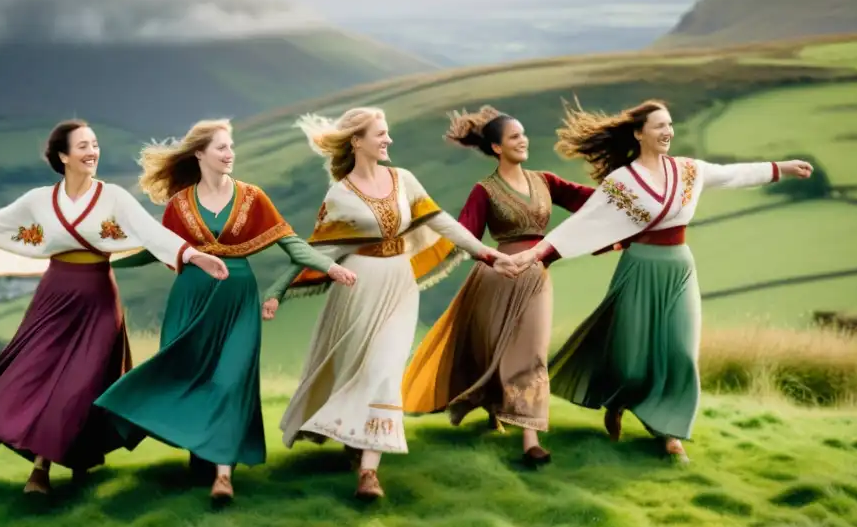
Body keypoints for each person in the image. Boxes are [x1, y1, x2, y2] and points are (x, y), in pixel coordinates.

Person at [0, 119, 229, 494]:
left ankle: (54, 465)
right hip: (55, 296)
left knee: (81, 385)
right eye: (82, 146)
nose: (92, 152)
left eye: (94, 144)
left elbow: (151, 232)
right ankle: (44, 466)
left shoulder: (113, 197)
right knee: (35, 373)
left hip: (98, 299)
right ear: (63, 156)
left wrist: (194, 256)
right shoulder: (38, 201)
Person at [511, 100, 813, 462]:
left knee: (681, 352)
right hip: (639, 268)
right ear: (639, 134)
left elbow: (732, 174)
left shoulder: (688, 170)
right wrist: (535, 255)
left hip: (679, 268)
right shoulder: (622, 181)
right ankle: (619, 400)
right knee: (631, 361)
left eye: (670, 124)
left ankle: (670, 434)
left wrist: (781, 167)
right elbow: (585, 223)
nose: (667, 131)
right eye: (659, 126)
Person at [94, 119, 356, 504]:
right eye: (221, 147)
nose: (230, 153)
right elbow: (156, 250)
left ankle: (223, 475)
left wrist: (329, 266)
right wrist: (104, 262)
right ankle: (201, 457)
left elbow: (292, 244)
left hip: (237, 303)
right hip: (191, 300)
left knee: (229, 381)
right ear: (199, 154)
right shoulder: (179, 205)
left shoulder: (253, 197)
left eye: (231, 146)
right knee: (190, 379)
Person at [262, 106, 516, 500]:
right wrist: (276, 291)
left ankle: (369, 474)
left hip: (399, 285)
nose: (388, 139)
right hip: (358, 287)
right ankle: (354, 438)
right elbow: (316, 250)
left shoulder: (404, 180)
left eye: (387, 132)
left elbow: (442, 222)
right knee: (357, 371)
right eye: (380, 133)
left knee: (384, 369)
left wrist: (486, 253)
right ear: (357, 141)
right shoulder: (340, 196)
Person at [402, 106, 593, 466]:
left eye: (523, 134)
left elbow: (592, 201)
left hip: (535, 277)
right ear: (496, 148)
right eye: (514, 137)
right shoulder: (484, 190)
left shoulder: (546, 182)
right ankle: (494, 410)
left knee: (532, 353)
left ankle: (530, 437)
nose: (523, 141)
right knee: (493, 351)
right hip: (495, 277)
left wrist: (628, 194)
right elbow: (465, 235)